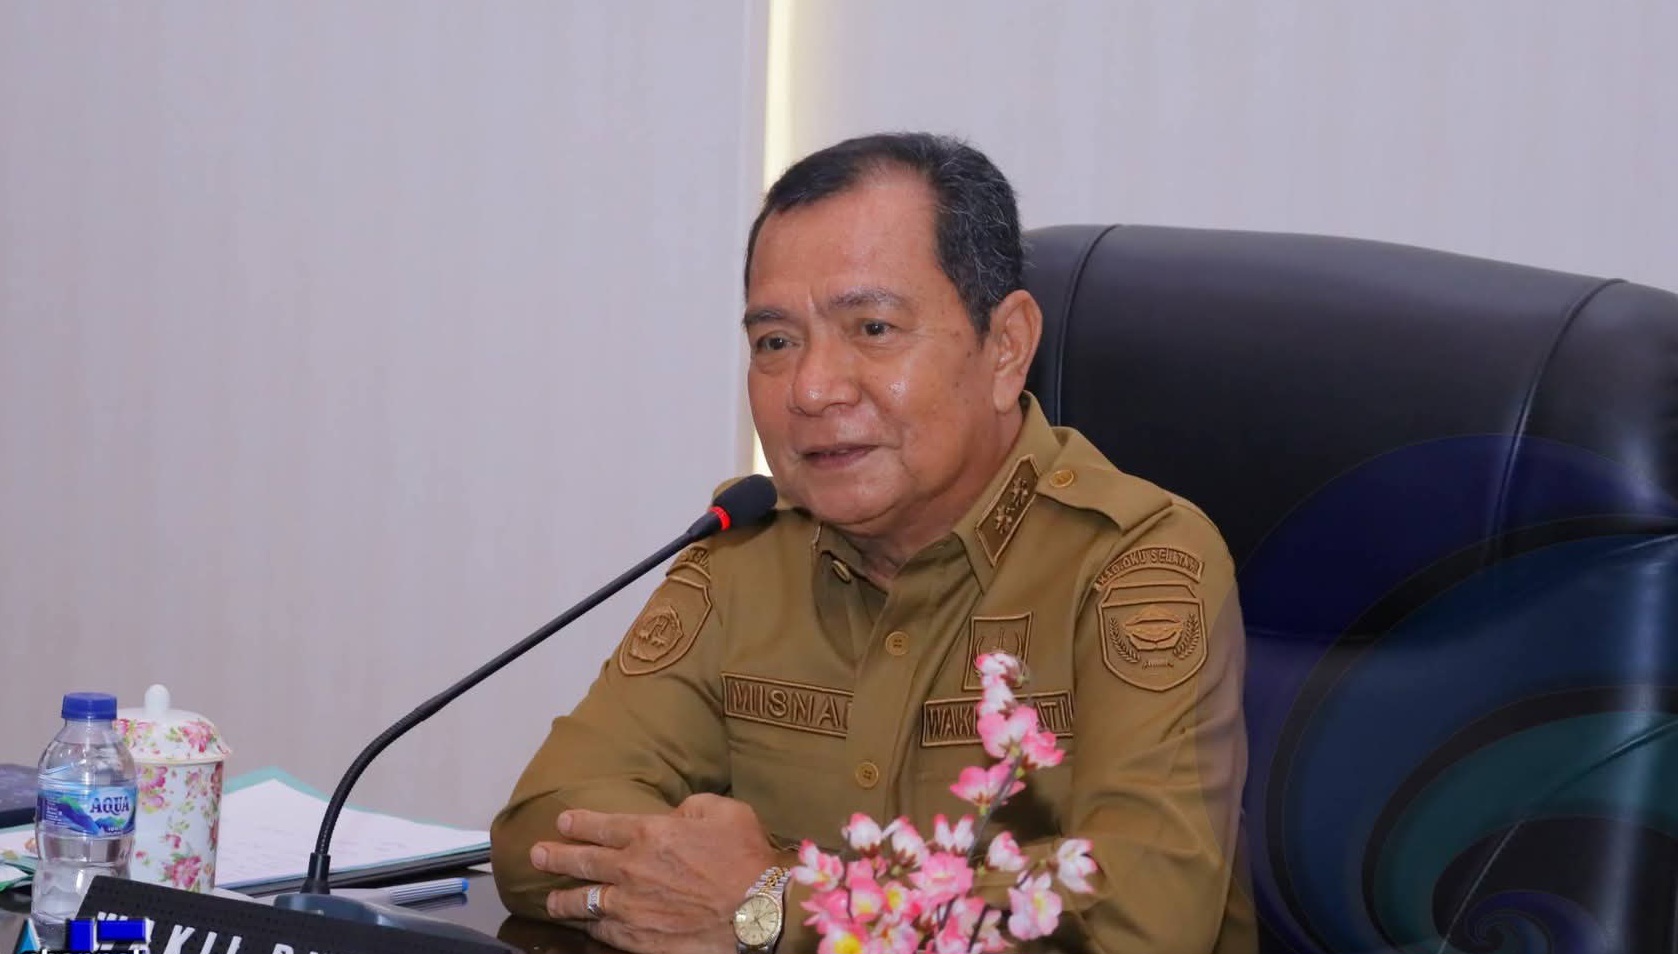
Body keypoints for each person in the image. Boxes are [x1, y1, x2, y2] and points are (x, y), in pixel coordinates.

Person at [490, 132, 1255, 954]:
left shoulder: (1136, 564)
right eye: (775, 342)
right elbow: (541, 827)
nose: (812, 388)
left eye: (873, 327)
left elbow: (1144, 915)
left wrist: (776, 904)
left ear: (1005, 348)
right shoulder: (744, 553)